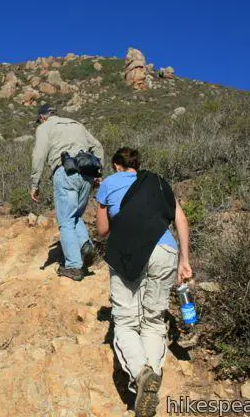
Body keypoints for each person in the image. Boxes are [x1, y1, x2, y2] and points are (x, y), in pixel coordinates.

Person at [95, 147, 192, 417]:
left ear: (115, 165)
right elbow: (180, 219)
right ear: (138, 166)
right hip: (165, 250)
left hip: (128, 249)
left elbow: (102, 231)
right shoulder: (159, 182)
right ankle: (151, 382)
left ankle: (140, 373)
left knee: (125, 321)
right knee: (153, 320)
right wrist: (184, 259)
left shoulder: (107, 184)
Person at [30, 104, 104, 281]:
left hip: (66, 172)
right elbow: (98, 147)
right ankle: (85, 245)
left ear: (42, 117)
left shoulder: (44, 128)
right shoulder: (76, 124)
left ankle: (73, 267)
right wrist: (98, 173)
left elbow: (38, 155)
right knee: (76, 214)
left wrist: (35, 184)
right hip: (87, 173)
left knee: (65, 221)